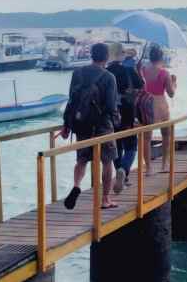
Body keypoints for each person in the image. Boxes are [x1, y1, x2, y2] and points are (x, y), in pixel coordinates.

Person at [61, 42, 119, 210]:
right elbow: (110, 105)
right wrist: (117, 120)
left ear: (91, 55)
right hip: (102, 126)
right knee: (107, 161)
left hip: (82, 123)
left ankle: (77, 185)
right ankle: (105, 199)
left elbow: (71, 100)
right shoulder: (108, 77)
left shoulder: (77, 73)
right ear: (106, 57)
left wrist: (67, 124)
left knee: (82, 159)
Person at [104, 42, 143, 193]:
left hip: (111, 113)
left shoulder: (105, 71)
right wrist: (136, 70)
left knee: (116, 146)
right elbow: (140, 85)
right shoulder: (128, 70)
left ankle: (120, 170)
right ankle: (124, 171)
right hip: (127, 112)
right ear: (122, 54)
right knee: (132, 145)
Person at [140, 45, 176, 175]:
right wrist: (174, 83)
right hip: (161, 105)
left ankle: (148, 168)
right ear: (161, 58)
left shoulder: (143, 70)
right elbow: (171, 93)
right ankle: (164, 165)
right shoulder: (164, 73)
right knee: (166, 134)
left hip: (146, 104)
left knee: (146, 138)